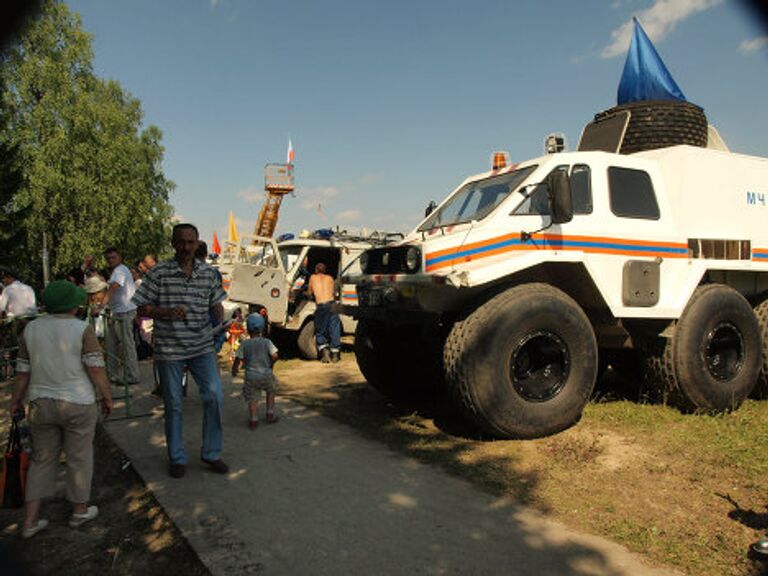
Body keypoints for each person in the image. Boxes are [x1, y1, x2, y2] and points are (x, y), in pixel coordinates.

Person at [8, 280, 113, 539]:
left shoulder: (30, 329)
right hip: (78, 402)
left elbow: (22, 372)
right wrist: (107, 397)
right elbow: (95, 367)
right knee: (79, 456)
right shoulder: (82, 329)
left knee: (42, 459)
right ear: (74, 305)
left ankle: (30, 521)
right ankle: (79, 511)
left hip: (40, 403)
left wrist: (15, 400)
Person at [133, 223, 229, 479]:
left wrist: (221, 323)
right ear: (173, 243)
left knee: (214, 396)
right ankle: (176, 457)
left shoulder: (208, 273)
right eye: (181, 242)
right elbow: (141, 308)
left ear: (197, 243)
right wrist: (165, 312)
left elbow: (216, 304)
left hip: (201, 347)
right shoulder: (159, 273)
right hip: (169, 349)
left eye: (191, 242)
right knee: (174, 403)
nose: (186, 247)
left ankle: (211, 453)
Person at [231, 314, 279, 429]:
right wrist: (271, 364)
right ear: (262, 328)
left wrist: (235, 368)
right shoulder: (267, 342)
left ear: (247, 329)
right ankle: (270, 413)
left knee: (252, 398)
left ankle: (253, 419)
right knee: (271, 390)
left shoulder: (245, 344)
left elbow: (238, 358)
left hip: (251, 376)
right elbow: (275, 355)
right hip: (266, 373)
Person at [101, 247, 140, 386]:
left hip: (124, 311)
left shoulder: (120, 270)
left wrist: (101, 305)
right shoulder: (117, 271)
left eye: (113, 257)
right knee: (111, 344)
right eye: (108, 258)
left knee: (126, 345)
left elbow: (114, 287)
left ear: (120, 257)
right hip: (116, 311)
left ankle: (132, 375)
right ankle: (112, 374)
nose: (110, 260)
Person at [307, 262, 341, 363]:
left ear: (316, 270)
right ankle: (335, 355)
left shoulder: (312, 277)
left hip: (321, 306)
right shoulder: (330, 278)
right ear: (325, 270)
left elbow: (309, 293)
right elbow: (334, 293)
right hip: (332, 304)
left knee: (320, 330)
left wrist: (309, 294)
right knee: (334, 328)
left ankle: (325, 354)